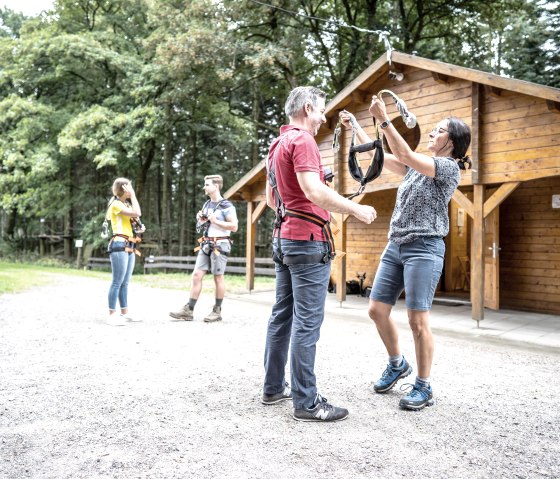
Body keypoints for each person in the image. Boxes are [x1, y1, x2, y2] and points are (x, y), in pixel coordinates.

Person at [339, 95, 472, 410]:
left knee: (417, 320)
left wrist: (385, 119)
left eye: (438, 131)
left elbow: (403, 152)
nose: (431, 133)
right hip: (396, 245)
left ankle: (423, 386)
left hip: (424, 248)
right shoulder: (416, 167)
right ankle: (397, 364)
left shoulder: (448, 168)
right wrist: (358, 125)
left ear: (451, 142)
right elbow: (383, 157)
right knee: (376, 310)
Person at [262, 86, 377, 422]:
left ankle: (273, 388)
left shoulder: (276, 145)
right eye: (322, 111)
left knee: (282, 315)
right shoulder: (303, 141)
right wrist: (356, 209)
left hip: (284, 239)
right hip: (308, 240)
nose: (324, 118)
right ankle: (307, 402)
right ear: (308, 107)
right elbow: (313, 191)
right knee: (307, 323)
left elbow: (273, 201)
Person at [169, 175, 238, 323]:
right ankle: (188, 310)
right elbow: (205, 225)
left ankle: (217, 311)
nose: (204, 187)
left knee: (218, 277)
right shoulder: (207, 204)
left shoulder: (227, 205)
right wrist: (201, 219)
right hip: (206, 244)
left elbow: (234, 226)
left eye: (207, 185)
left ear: (216, 186)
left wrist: (215, 221)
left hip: (220, 245)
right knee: (196, 275)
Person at [105, 178, 144, 326]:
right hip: (119, 243)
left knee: (125, 282)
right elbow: (138, 212)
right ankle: (111, 314)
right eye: (130, 187)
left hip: (130, 244)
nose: (131, 189)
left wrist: (139, 228)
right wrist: (133, 195)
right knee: (117, 281)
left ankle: (124, 313)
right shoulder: (115, 204)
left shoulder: (124, 204)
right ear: (124, 189)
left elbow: (134, 219)